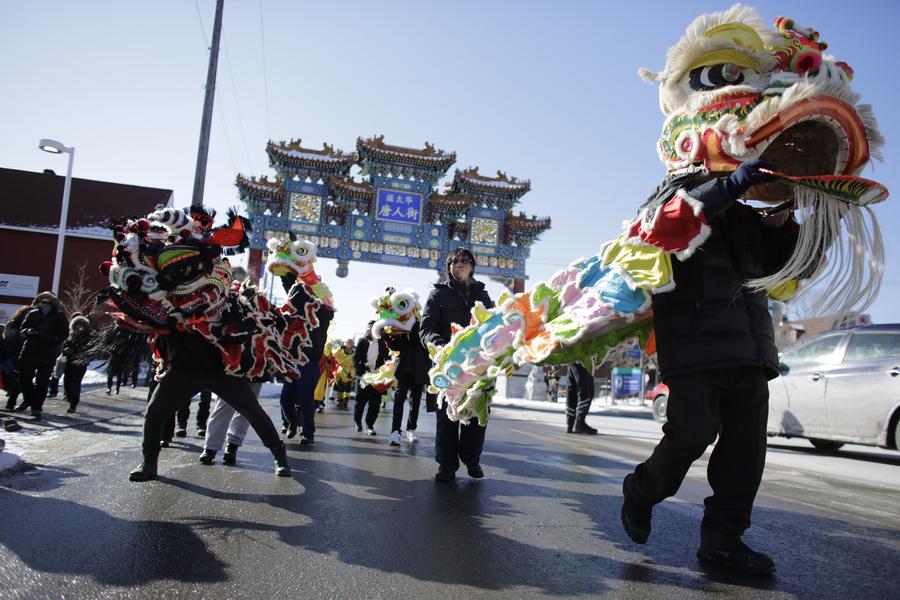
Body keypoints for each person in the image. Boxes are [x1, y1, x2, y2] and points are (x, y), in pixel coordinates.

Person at [620, 161, 797, 575]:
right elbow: (664, 229)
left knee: (745, 453)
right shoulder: (671, 191)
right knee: (690, 435)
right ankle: (641, 491)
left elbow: (779, 267)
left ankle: (724, 540)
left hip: (751, 351)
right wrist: (732, 184)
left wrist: (791, 223)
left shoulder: (746, 215)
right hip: (695, 347)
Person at [420, 247, 494, 482]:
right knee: (447, 418)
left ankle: (472, 459)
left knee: (477, 414)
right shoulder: (437, 295)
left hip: (477, 365)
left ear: (472, 266)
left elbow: (493, 325)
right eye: (454, 261)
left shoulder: (482, 295)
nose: (459, 265)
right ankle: (447, 465)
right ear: (449, 267)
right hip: (448, 365)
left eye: (464, 261)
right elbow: (427, 328)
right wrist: (439, 346)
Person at [15, 292, 69, 418]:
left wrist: (53, 339)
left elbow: (64, 333)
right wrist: (27, 331)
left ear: (52, 304)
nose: (45, 305)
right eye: (43, 302)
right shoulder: (33, 314)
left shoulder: (59, 316)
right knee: (24, 378)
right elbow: (22, 330)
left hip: (47, 352)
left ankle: (36, 407)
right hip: (30, 350)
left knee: (42, 381)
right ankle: (28, 399)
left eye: (48, 303)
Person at [385, 318, 431, 447]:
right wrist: (387, 335)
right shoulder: (401, 328)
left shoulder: (420, 325)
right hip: (404, 369)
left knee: (415, 400)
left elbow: (425, 342)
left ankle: (411, 429)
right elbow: (395, 346)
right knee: (399, 399)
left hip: (419, 369)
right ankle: (395, 432)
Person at [353, 321, 388, 435]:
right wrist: (360, 372)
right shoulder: (363, 341)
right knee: (360, 402)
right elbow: (356, 358)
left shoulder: (383, 343)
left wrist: (387, 371)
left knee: (375, 404)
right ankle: (358, 422)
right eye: (372, 328)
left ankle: (370, 425)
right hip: (365, 375)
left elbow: (387, 358)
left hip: (378, 376)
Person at [59, 314, 93, 413]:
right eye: (77, 325)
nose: (79, 328)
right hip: (69, 363)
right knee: (67, 382)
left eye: (81, 326)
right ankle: (69, 397)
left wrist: (78, 352)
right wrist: (66, 350)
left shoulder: (88, 338)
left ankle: (73, 403)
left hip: (80, 364)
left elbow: (90, 351)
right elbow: (63, 347)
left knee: (75, 383)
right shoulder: (70, 336)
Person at [2, 305, 31, 410]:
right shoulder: (13, 324)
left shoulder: (31, 327)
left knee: (19, 380)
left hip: (25, 356)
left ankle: (11, 402)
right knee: (10, 378)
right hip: (10, 355)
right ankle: (14, 395)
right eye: (26, 314)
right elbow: (7, 337)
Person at [565, 363, 597, 434]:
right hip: (583, 358)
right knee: (586, 390)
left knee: (572, 390)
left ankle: (570, 423)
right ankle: (579, 423)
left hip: (571, 359)